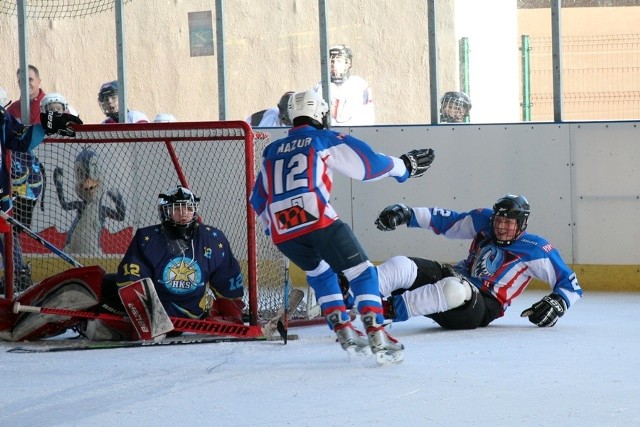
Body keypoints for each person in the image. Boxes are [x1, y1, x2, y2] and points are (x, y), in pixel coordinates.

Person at [249, 89, 435, 364]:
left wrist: (276, 228)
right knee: (362, 273)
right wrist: (403, 167)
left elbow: (258, 199)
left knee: (320, 273)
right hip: (319, 220)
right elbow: (368, 166)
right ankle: (376, 330)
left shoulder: (272, 150)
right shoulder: (323, 139)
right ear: (320, 114)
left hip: (283, 232)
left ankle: (343, 329)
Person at [373, 194, 583, 330]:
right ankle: (357, 295)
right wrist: (407, 214)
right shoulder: (484, 221)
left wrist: (559, 302)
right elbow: (447, 221)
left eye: (509, 222)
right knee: (402, 265)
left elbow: (570, 284)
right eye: (499, 220)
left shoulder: (535, 248)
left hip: (481, 306)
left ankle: (384, 311)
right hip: (455, 275)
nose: (501, 226)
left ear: (522, 223)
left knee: (454, 290)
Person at [80, 186, 245, 341]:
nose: (184, 214)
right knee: (103, 281)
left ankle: (92, 324)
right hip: (169, 315)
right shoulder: (148, 237)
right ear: (165, 212)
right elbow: (133, 280)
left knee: (97, 287)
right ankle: (91, 322)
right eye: (177, 209)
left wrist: (231, 314)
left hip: (176, 318)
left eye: (188, 208)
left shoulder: (212, 240)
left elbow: (227, 280)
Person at [0, 102, 82, 294]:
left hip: (1, 194)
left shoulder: (2, 116)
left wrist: (45, 125)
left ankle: (17, 275)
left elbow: (20, 141)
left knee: (5, 236)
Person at [314, 44, 375, 126]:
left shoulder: (360, 85)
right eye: (332, 61)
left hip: (353, 134)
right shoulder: (321, 86)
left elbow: (367, 117)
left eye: (338, 61)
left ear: (347, 64)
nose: (334, 64)